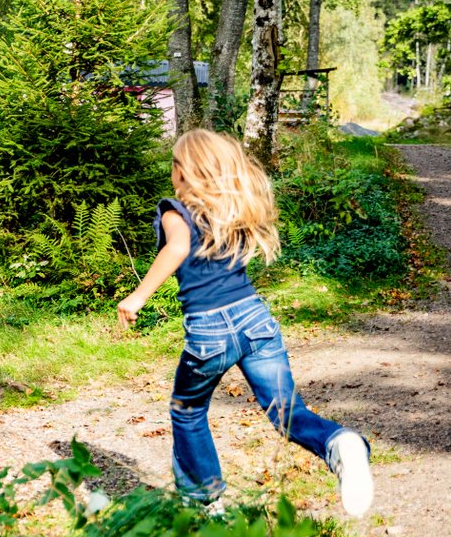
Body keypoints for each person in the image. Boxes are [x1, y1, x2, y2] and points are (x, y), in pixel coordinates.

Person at [116, 129, 374, 517]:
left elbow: (178, 247)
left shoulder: (175, 209)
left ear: (183, 171)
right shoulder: (229, 208)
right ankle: (340, 443)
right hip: (255, 319)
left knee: (187, 411)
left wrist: (137, 296)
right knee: (286, 412)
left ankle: (205, 504)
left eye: (174, 164)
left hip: (210, 331)